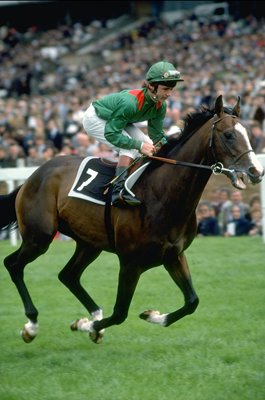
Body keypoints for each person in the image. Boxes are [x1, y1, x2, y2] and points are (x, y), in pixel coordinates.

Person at [82, 60, 184, 207]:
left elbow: (156, 136)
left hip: (117, 119)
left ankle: (135, 184)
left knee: (148, 144)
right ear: (151, 86)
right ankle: (117, 192)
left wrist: (172, 148)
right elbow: (111, 134)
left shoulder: (161, 106)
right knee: (131, 147)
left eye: (171, 89)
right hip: (95, 117)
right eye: (165, 89)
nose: (168, 94)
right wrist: (138, 145)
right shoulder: (130, 103)